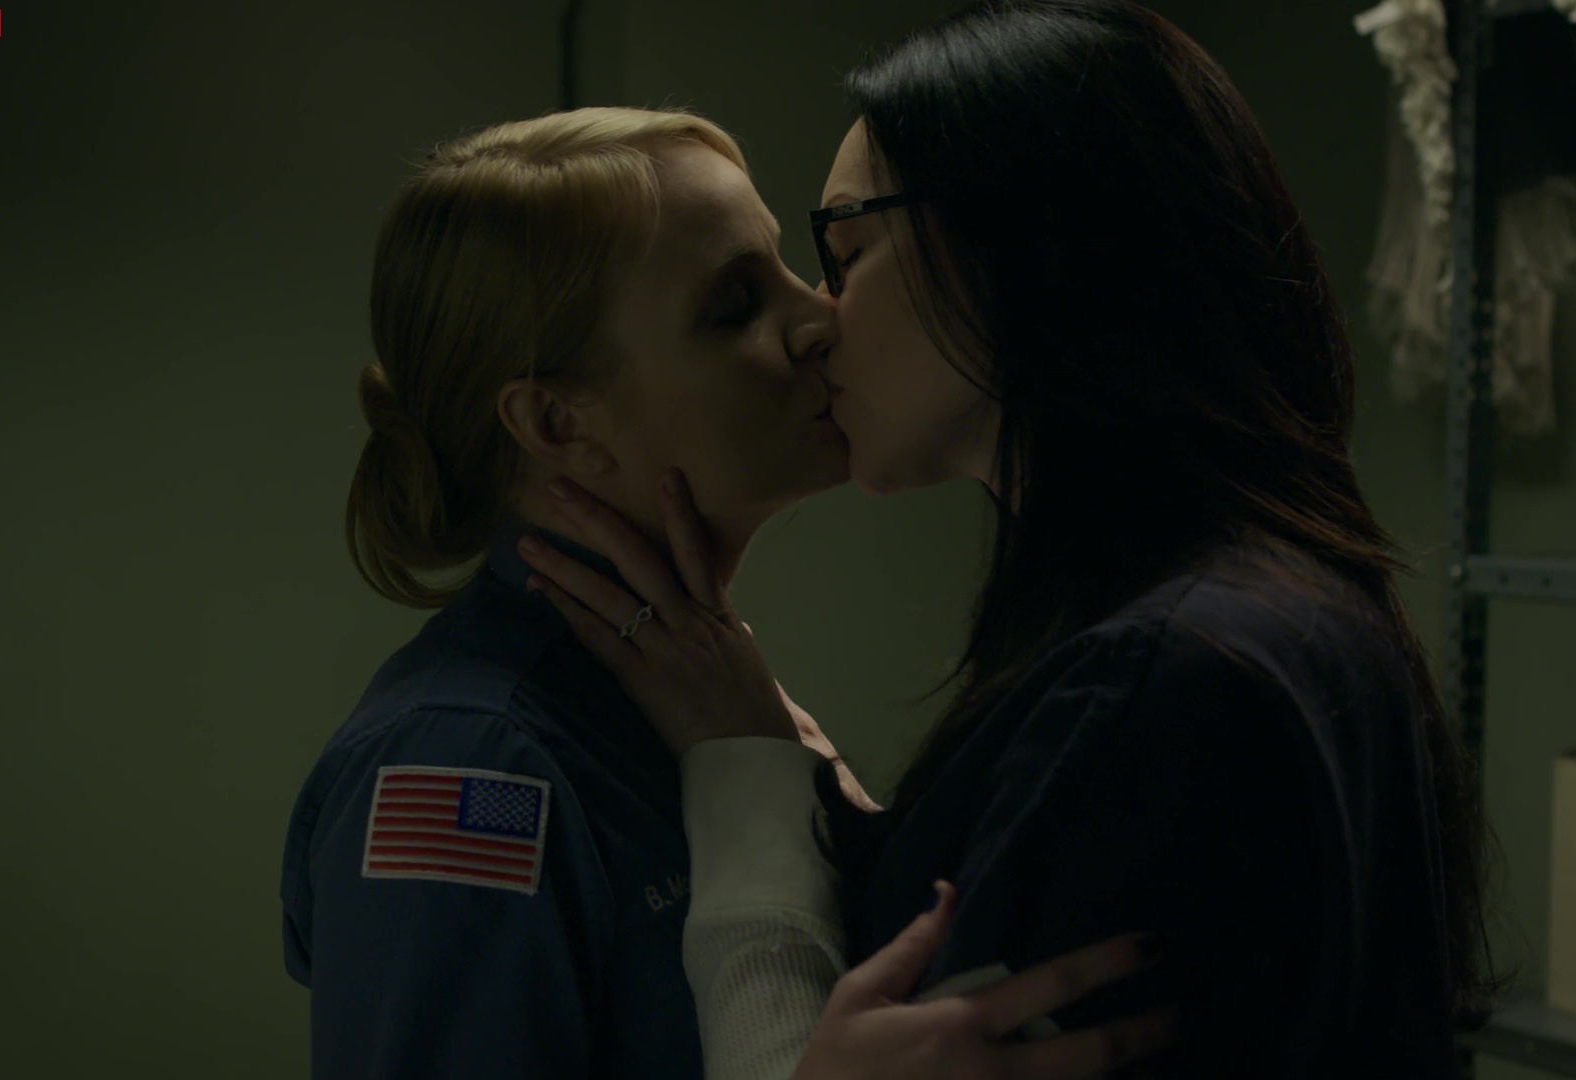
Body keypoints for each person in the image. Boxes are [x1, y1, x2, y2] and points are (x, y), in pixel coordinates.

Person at [515, 2, 1511, 1078]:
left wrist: (745, 782)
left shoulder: (1161, 682)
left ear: (1021, 244)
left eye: (846, 251)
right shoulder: (1270, 609)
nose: (817, 321)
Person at [280, 105, 1172, 1079]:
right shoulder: (470, 760)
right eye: (735, 305)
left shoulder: (701, 692)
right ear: (559, 423)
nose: (819, 319)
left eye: (788, 267)